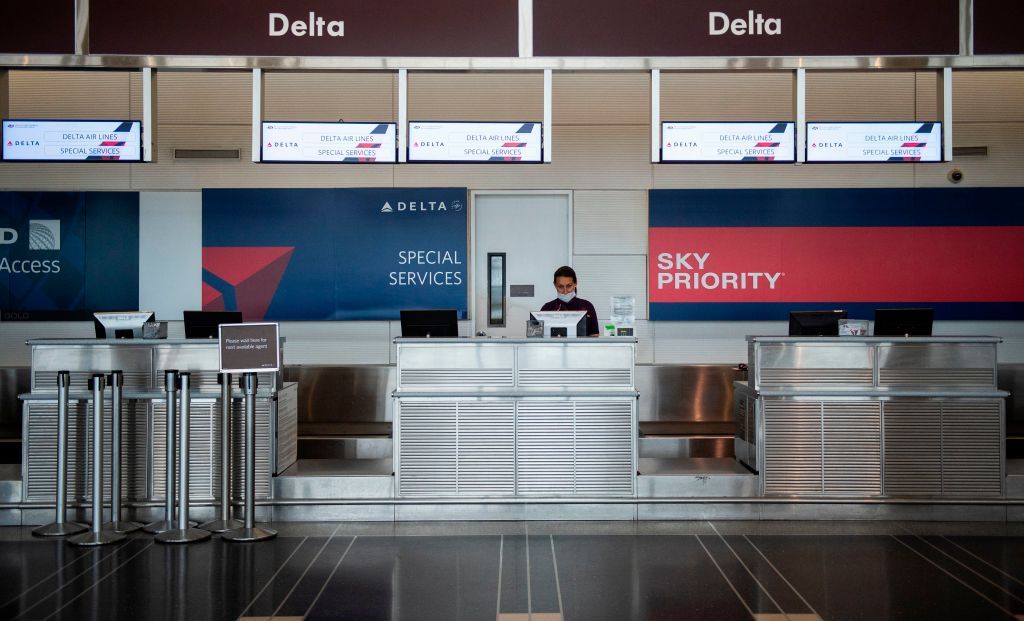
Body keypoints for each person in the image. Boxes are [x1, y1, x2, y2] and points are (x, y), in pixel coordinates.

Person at [540, 265, 600, 336]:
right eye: (560, 286)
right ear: (555, 285)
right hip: (554, 347)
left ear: (575, 283)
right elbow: (539, 338)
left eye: (569, 286)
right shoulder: (547, 308)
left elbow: (594, 336)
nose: (565, 291)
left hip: (581, 347)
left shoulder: (587, 306)